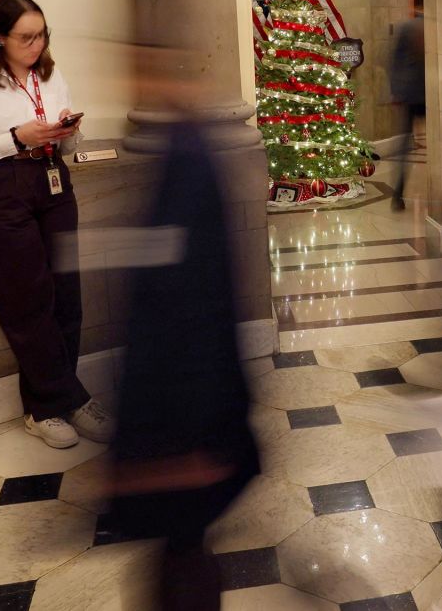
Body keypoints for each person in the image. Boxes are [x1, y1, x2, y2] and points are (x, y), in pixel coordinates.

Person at [109, 42, 259, 611]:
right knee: (180, 551)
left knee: (183, 557)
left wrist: (186, 439)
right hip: (188, 407)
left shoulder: (190, 155)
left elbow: (196, 297)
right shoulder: (184, 146)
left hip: (188, 409)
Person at [0, 0, 112, 449]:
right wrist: (16, 137)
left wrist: (69, 133)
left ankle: (58, 402)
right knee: (27, 301)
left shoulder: (51, 76)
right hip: (0, 191)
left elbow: (73, 147)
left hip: (53, 179)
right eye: (25, 37)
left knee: (66, 295)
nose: (36, 45)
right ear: (0, 37)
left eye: (41, 35)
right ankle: (53, 406)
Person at [388, 5, 425, 211]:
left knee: (404, 146)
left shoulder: (406, 27)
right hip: (428, 94)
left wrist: (396, 90)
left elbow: (394, 61)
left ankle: (398, 193)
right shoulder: (432, 28)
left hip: (409, 95)